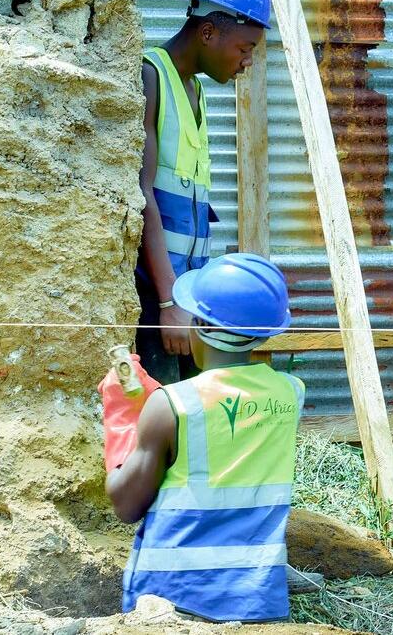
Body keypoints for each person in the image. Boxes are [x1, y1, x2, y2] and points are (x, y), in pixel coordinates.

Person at [108, 253, 305, 623]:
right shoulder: (291, 393)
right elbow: (226, 420)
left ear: (204, 326)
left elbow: (126, 505)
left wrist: (121, 419)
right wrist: (153, 403)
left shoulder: (172, 405)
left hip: (172, 602)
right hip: (255, 599)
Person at [136, 0, 271, 384]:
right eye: (245, 48)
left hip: (186, 299)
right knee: (159, 414)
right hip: (154, 296)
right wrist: (165, 302)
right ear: (209, 32)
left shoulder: (195, 91)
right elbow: (143, 199)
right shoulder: (150, 77)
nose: (247, 61)